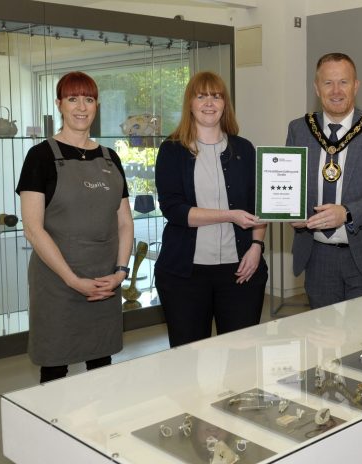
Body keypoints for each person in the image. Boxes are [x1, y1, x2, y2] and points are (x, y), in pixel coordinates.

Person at [17, 71, 134, 383]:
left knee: (101, 364)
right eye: (72, 99)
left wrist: (120, 272)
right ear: (59, 104)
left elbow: (124, 222)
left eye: (89, 99)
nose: (81, 107)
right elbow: (33, 229)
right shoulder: (39, 157)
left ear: (96, 105)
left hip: (104, 282)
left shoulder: (111, 158)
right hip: (57, 284)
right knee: (55, 369)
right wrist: (72, 280)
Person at [154, 71, 268, 348]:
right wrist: (229, 215)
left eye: (216, 96)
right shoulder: (171, 150)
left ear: (224, 103)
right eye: (201, 96)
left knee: (242, 357)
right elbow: (175, 210)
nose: (209, 103)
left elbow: (260, 206)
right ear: (190, 103)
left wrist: (256, 247)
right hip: (185, 275)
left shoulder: (244, 149)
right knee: (187, 358)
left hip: (241, 270)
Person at [286, 52, 362, 310]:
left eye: (344, 82)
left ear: (356, 85)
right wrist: (291, 211)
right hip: (317, 256)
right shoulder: (299, 129)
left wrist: (347, 213)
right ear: (317, 88)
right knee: (323, 342)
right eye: (328, 83)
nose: (336, 90)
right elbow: (292, 185)